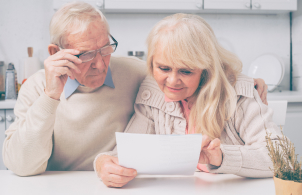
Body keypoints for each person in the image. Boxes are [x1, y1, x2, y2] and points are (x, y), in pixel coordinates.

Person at [2, 2, 267, 176]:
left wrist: (238, 81)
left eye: (105, 49)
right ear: (55, 53)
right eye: (84, 55)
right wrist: (50, 97)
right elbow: (22, 166)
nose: (99, 63)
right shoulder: (37, 88)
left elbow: (187, 63)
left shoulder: (137, 72)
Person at [94, 13, 281, 188]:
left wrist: (222, 157)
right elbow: (126, 154)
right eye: (164, 68)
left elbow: (280, 157)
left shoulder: (239, 94)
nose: (172, 81)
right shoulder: (151, 90)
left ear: (206, 69)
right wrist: (102, 163)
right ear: (151, 64)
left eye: (186, 71)